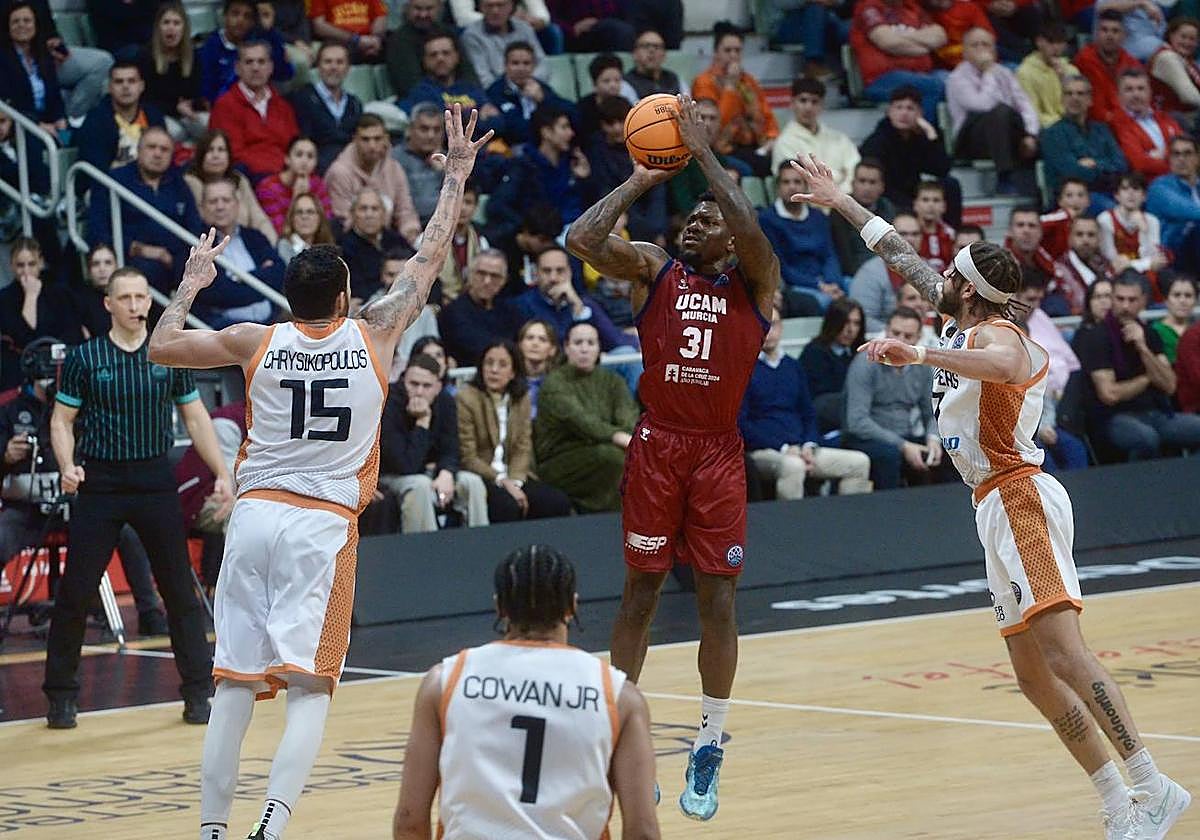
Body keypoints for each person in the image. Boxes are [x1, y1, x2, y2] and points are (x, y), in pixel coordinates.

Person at [794, 150, 1193, 838]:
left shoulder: (998, 332)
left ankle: (1154, 786)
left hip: (1021, 496)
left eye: (951, 274)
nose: (939, 278)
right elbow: (899, 253)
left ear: (971, 290)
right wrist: (841, 201)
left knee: (1066, 654)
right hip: (990, 505)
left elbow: (1007, 365)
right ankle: (1117, 803)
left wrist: (919, 353)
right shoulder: (961, 318)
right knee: (1033, 675)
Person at [145, 103, 493, 840]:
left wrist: (193, 281)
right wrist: (456, 178)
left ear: (289, 297)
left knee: (234, 685)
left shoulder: (253, 339)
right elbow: (429, 256)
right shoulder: (376, 333)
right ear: (342, 298)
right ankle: (270, 827)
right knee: (310, 689)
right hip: (322, 528)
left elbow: (162, 346)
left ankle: (211, 831)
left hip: (253, 518)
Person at [566, 93, 779, 820]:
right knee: (640, 593)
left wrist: (703, 154)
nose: (694, 223)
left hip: (717, 456)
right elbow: (581, 238)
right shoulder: (653, 268)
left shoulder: (757, 280)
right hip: (659, 447)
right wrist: (643, 177)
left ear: (731, 239)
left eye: (708, 220)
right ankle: (621, 733)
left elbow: (749, 226)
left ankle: (710, 742)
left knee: (718, 599)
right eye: (690, 216)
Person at [42, 267, 229, 730]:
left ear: (149, 302)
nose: (133, 305)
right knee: (76, 592)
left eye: (140, 297)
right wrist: (67, 466)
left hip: (154, 478)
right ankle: (61, 696)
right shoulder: (85, 358)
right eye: (124, 297)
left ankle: (198, 692)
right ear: (108, 304)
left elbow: (196, 417)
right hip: (101, 483)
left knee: (179, 590)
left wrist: (222, 471)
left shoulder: (167, 353)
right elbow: (62, 420)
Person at [392, 544, 660, 840]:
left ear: (500, 607)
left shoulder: (444, 682)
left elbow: (409, 821)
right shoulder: (619, 696)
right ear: (572, 607)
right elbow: (643, 833)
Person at [740, 307, 873, 499]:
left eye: (773, 324)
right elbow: (742, 425)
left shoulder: (793, 366)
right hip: (764, 450)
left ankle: (847, 518)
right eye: (761, 324)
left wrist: (809, 444)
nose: (768, 330)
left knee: (859, 462)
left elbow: (808, 413)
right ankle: (790, 520)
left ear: (781, 327)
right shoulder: (743, 368)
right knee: (793, 466)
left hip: (802, 448)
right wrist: (784, 448)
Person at [455, 340, 573, 522]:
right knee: (506, 506)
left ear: (513, 372)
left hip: (515, 474)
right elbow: (468, 457)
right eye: (489, 363)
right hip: (483, 475)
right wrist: (502, 481)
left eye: (502, 365)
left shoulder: (521, 398)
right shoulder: (466, 398)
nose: (494, 370)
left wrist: (515, 482)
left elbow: (523, 447)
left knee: (556, 502)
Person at [532, 322, 638, 513]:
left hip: (609, 449)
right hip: (560, 459)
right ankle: (607, 518)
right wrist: (617, 436)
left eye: (590, 343)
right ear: (566, 347)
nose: (584, 349)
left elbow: (629, 419)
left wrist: (624, 437)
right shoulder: (554, 383)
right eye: (578, 343)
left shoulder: (613, 381)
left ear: (599, 348)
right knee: (613, 458)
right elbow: (582, 422)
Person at [378, 354, 487, 531]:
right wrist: (422, 422)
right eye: (413, 384)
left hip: (430, 473)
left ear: (438, 387)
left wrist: (446, 473)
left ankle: (480, 543)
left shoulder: (445, 401)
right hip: (393, 477)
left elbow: (452, 448)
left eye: (426, 386)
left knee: (472, 483)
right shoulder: (389, 402)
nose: (419, 392)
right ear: (403, 380)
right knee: (420, 485)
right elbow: (405, 465)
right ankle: (423, 547)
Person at [841, 307, 946, 489]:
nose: (900, 341)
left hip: (906, 436)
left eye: (908, 336)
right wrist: (902, 445)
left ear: (918, 337)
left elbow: (932, 412)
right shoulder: (865, 363)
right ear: (886, 331)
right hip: (866, 439)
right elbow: (857, 421)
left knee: (947, 453)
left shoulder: (921, 366)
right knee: (889, 456)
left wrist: (933, 439)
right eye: (895, 334)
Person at [946, 27, 1040, 196]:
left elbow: (1025, 105)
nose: (981, 49)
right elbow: (983, 105)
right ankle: (1004, 176)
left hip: (1004, 133)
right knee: (1000, 111)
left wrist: (1030, 134)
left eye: (986, 45)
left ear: (994, 50)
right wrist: (988, 73)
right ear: (965, 52)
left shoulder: (1004, 73)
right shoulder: (957, 78)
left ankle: (1045, 190)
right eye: (975, 45)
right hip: (970, 139)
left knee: (1040, 128)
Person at [860, 86, 961, 226]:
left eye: (910, 108)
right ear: (889, 112)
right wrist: (915, 204)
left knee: (950, 184)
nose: (904, 113)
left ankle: (952, 232)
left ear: (919, 113)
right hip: (888, 195)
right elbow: (878, 183)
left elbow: (942, 169)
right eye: (899, 107)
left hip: (914, 193)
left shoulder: (919, 136)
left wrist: (931, 135)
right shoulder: (876, 142)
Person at [194, 176, 287, 327]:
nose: (220, 206)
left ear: (237, 204)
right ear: (202, 208)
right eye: (213, 201)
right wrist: (261, 278)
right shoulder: (196, 243)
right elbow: (218, 294)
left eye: (226, 200)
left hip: (270, 323)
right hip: (225, 330)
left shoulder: (255, 236)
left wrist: (238, 280)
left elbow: (279, 273)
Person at [691, 22, 780, 176]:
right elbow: (716, 125)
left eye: (737, 51)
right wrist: (730, 87)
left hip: (753, 145)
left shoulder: (748, 81)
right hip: (722, 148)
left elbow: (766, 116)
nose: (733, 56)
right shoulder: (704, 82)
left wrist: (771, 137)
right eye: (727, 50)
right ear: (716, 53)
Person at [514, 246, 638, 355]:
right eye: (547, 271)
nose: (553, 278)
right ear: (536, 273)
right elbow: (558, 347)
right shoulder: (522, 305)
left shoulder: (584, 303)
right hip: (545, 369)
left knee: (626, 352)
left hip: (586, 369)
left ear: (570, 273)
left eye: (560, 270)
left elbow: (617, 342)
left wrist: (578, 307)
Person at [208, 40, 300, 182]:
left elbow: (294, 147)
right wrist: (277, 175)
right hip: (250, 178)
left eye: (261, 62)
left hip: (286, 175)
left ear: (270, 68)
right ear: (237, 68)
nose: (255, 68)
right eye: (249, 62)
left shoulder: (283, 106)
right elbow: (232, 154)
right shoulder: (225, 105)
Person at [758, 162, 844, 311]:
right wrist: (820, 286)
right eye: (786, 182)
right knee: (830, 304)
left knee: (854, 288)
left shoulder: (819, 217)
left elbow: (829, 255)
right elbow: (781, 266)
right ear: (778, 187)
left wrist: (833, 283)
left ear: (806, 186)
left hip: (825, 281)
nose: (792, 187)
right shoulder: (767, 219)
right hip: (795, 285)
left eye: (797, 182)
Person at [0, 238, 83, 391]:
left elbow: (72, 333)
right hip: (19, 371)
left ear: (41, 263)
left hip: (57, 365)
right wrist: (31, 296)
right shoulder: (4, 298)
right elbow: (23, 336)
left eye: (31, 264)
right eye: (20, 265)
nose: (26, 271)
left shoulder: (60, 294)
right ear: (11, 266)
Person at [326, 113, 422, 244]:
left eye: (377, 139)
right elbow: (343, 220)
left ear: (386, 139)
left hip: (389, 239)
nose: (372, 145)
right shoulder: (339, 172)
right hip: (352, 243)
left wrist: (410, 232)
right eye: (365, 139)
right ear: (355, 140)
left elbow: (405, 210)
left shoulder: (394, 168)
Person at [850, 0, 948, 121]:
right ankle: (921, 131)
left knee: (951, 81)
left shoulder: (911, 7)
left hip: (922, 74)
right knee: (932, 86)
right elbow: (888, 42)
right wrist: (924, 45)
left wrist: (900, 37)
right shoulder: (868, 8)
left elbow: (940, 36)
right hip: (882, 79)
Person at [1039, 75, 1128, 204]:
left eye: (1080, 93)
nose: (1074, 98)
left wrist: (1096, 163)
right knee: (1117, 211)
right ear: (1062, 100)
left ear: (1090, 100)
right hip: (1074, 199)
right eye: (1069, 94)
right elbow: (1073, 174)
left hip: (1111, 192)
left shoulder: (1102, 129)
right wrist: (1106, 169)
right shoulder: (1053, 134)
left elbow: (1122, 165)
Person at [186, 129, 279, 245]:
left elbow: (259, 218)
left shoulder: (239, 180)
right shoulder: (190, 183)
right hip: (212, 244)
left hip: (247, 243)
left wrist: (272, 245)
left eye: (221, 150)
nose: (216, 155)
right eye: (210, 150)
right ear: (201, 155)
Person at [771, 77, 859, 193]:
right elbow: (796, 184)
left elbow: (856, 174)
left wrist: (839, 195)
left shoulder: (840, 139)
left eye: (814, 102)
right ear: (792, 103)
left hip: (844, 200)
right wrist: (840, 176)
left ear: (822, 105)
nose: (808, 107)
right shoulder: (784, 143)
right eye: (803, 100)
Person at [438, 249, 525, 366]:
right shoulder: (451, 313)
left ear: (504, 280)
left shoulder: (513, 312)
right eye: (481, 273)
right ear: (470, 275)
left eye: (495, 276)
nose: (487, 281)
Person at [76, 62, 167, 173]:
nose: (125, 86)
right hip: (110, 181)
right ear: (109, 87)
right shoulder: (95, 120)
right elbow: (96, 169)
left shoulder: (153, 116)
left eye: (131, 81)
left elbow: (164, 157)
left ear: (141, 86)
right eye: (119, 81)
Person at [288, 42, 364, 174]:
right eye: (328, 62)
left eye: (339, 62)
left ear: (348, 68)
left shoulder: (355, 104)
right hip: (317, 170)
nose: (333, 67)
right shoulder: (302, 98)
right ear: (318, 67)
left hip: (352, 170)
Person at [198, 0, 293, 105]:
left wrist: (269, 30)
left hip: (261, 103)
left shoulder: (259, 41)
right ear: (225, 16)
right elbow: (207, 92)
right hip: (227, 106)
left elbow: (285, 74)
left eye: (247, 16)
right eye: (235, 14)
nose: (240, 20)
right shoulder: (212, 46)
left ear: (253, 22)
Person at [139, 2, 209, 141]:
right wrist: (176, 107)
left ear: (184, 28)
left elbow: (196, 92)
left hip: (186, 112)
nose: (171, 28)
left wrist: (193, 105)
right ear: (158, 27)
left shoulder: (193, 56)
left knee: (208, 124)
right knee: (175, 132)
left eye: (176, 23)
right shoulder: (146, 57)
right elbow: (146, 100)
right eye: (166, 22)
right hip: (161, 114)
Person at [487, 40, 575, 147]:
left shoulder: (541, 88)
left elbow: (571, 113)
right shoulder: (495, 92)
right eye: (515, 63)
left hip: (543, 144)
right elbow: (514, 131)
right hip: (513, 147)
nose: (521, 68)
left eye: (526, 63)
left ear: (534, 66)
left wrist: (543, 99)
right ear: (505, 65)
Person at [799, 298, 867, 432]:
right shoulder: (814, 352)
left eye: (856, 323)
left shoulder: (862, 352)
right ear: (832, 323)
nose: (850, 330)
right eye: (845, 322)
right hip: (823, 417)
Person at [386, 1, 480, 98]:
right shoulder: (399, 41)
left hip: (460, 98)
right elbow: (411, 86)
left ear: (439, 9)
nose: (423, 15)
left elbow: (468, 73)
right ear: (407, 9)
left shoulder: (448, 33)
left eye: (429, 9)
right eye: (417, 9)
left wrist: (479, 99)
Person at [338, 187, 415, 304]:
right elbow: (356, 291)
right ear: (353, 214)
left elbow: (422, 270)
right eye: (363, 209)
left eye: (375, 209)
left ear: (383, 213)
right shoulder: (344, 247)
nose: (369, 214)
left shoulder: (396, 239)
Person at [0, 1, 65, 136]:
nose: (21, 25)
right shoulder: (3, 59)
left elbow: (55, 95)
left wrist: (60, 119)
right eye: (15, 22)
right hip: (20, 127)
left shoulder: (44, 55)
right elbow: (8, 103)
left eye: (27, 21)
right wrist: (37, 124)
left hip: (48, 125)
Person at [851, 211, 921, 333]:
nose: (910, 239)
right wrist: (900, 333)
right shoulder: (870, 273)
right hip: (881, 337)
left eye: (915, 234)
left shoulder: (927, 267)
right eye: (903, 234)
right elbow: (863, 319)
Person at [1109, 67, 1185, 179]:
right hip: (1154, 183)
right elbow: (1140, 163)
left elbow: (1185, 149)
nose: (1136, 94)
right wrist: (1178, 164)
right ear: (1118, 95)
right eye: (1129, 90)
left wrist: (1161, 154)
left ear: (1150, 92)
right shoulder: (1117, 125)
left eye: (1141, 89)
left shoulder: (1165, 118)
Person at [1074, 9, 1145, 124]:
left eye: (1115, 31)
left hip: (1129, 121)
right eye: (1104, 30)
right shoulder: (1084, 60)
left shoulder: (1132, 63)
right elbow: (1092, 107)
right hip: (1096, 124)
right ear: (1096, 33)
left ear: (1124, 36)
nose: (1109, 35)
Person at [255, 136, 332, 235]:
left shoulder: (317, 184)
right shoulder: (268, 188)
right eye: (299, 154)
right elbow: (280, 231)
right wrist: (297, 200)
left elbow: (327, 222)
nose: (304, 161)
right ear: (287, 159)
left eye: (310, 156)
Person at [1146, 135, 1200, 275]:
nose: (1181, 159)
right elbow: (1190, 211)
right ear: (1169, 159)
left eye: (1187, 153)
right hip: (1170, 255)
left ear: (1197, 158)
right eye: (1176, 154)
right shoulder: (1159, 187)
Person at [831, 160, 895, 276]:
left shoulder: (888, 208)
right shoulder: (840, 209)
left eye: (872, 182)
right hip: (851, 274)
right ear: (853, 184)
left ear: (882, 187)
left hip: (885, 272)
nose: (867, 188)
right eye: (862, 181)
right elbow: (843, 252)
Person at [461, 0, 546, 88]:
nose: (495, 11)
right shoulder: (472, 36)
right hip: (496, 91)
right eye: (489, 6)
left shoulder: (525, 28)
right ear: (480, 8)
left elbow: (542, 63)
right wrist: (514, 90)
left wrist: (532, 84)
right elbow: (483, 77)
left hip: (532, 87)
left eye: (501, 5)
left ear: (511, 6)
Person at [1098, 172, 1168, 277]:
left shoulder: (1152, 221)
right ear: (1117, 195)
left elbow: (1155, 262)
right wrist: (1146, 264)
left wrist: (1143, 230)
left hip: (1145, 275)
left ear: (1144, 196)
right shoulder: (1105, 219)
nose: (1131, 193)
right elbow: (1113, 263)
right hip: (1115, 277)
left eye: (1136, 189)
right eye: (1125, 189)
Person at [1015, 20, 1078, 128]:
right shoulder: (1024, 73)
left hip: (1071, 126)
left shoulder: (1071, 71)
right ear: (1039, 42)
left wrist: (1063, 80)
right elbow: (1032, 114)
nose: (1056, 48)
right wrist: (1061, 126)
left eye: (1060, 42)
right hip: (1046, 129)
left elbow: (1078, 107)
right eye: (1051, 42)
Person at [1045, 217, 1112, 317]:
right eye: (1079, 234)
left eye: (1091, 235)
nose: (1085, 240)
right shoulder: (1058, 270)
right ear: (1070, 238)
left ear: (1099, 239)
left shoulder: (1108, 266)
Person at [393, 102, 447, 226]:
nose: (431, 135)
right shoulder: (394, 158)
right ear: (410, 129)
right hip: (407, 226)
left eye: (437, 130)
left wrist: (444, 172)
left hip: (445, 225)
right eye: (424, 129)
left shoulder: (448, 160)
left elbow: (463, 200)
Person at [1149, 17, 1200, 126]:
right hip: (1168, 120)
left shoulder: (1187, 60)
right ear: (1171, 35)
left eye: (1192, 39)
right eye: (1183, 37)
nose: (1187, 42)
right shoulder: (1167, 57)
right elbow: (1190, 97)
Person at [309, 0, 388, 63]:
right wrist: (356, 39)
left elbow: (380, 16)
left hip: (370, 39)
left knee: (393, 44)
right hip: (341, 40)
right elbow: (319, 27)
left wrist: (375, 38)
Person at [626, 29, 687, 99]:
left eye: (657, 47)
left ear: (664, 54)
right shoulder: (626, 83)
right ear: (634, 53)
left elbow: (687, 102)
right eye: (646, 46)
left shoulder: (675, 80)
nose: (652, 50)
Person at [277, 191, 336, 264]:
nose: (304, 216)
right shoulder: (284, 245)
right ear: (292, 218)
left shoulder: (326, 247)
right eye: (299, 212)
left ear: (319, 218)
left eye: (310, 212)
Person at [517, 318, 559, 416]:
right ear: (520, 345)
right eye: (530, 338)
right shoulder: (509, 381)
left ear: (552, 349)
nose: (535, 343)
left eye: (542, 339)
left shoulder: (559, 384)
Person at [1151, 277, 1196, 364]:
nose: (1182, 301)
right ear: (1166, 300)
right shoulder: (1154, 331)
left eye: (1188, 296)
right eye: (1176, 295)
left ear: (1195, 301)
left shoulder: (1197, 331)